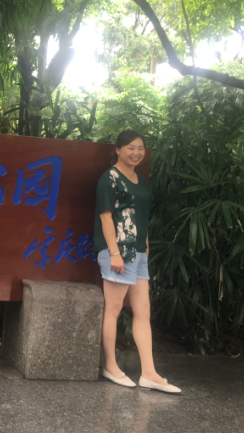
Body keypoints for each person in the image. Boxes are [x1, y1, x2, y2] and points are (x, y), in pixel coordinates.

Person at [94, 130, 181, 394]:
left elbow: (140, 216)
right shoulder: (109, 177)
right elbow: (106, 217)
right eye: (131, 147)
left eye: (140, 148)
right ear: (118, 150)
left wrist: (145, 245)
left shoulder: (140, 179)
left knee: (143, 311)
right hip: (118, 252)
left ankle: (149, 373)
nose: (136, 152)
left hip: (139, 252)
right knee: (114, 309)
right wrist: (114, 253)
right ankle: (110, 365)